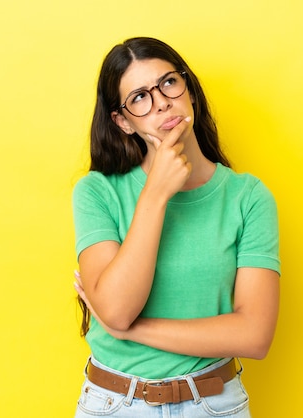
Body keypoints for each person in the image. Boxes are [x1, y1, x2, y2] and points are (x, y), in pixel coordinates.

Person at [71, 36, 280, 417]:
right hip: (115, 405)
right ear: (123, 122)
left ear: (190, 91)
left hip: (214, 404)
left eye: (168, 82)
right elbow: (116, 310)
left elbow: (254, 335)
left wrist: (133, 331)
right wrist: (155, 194)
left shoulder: (247, 197)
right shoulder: (97, 192)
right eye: (139, 97)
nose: (162, 101)